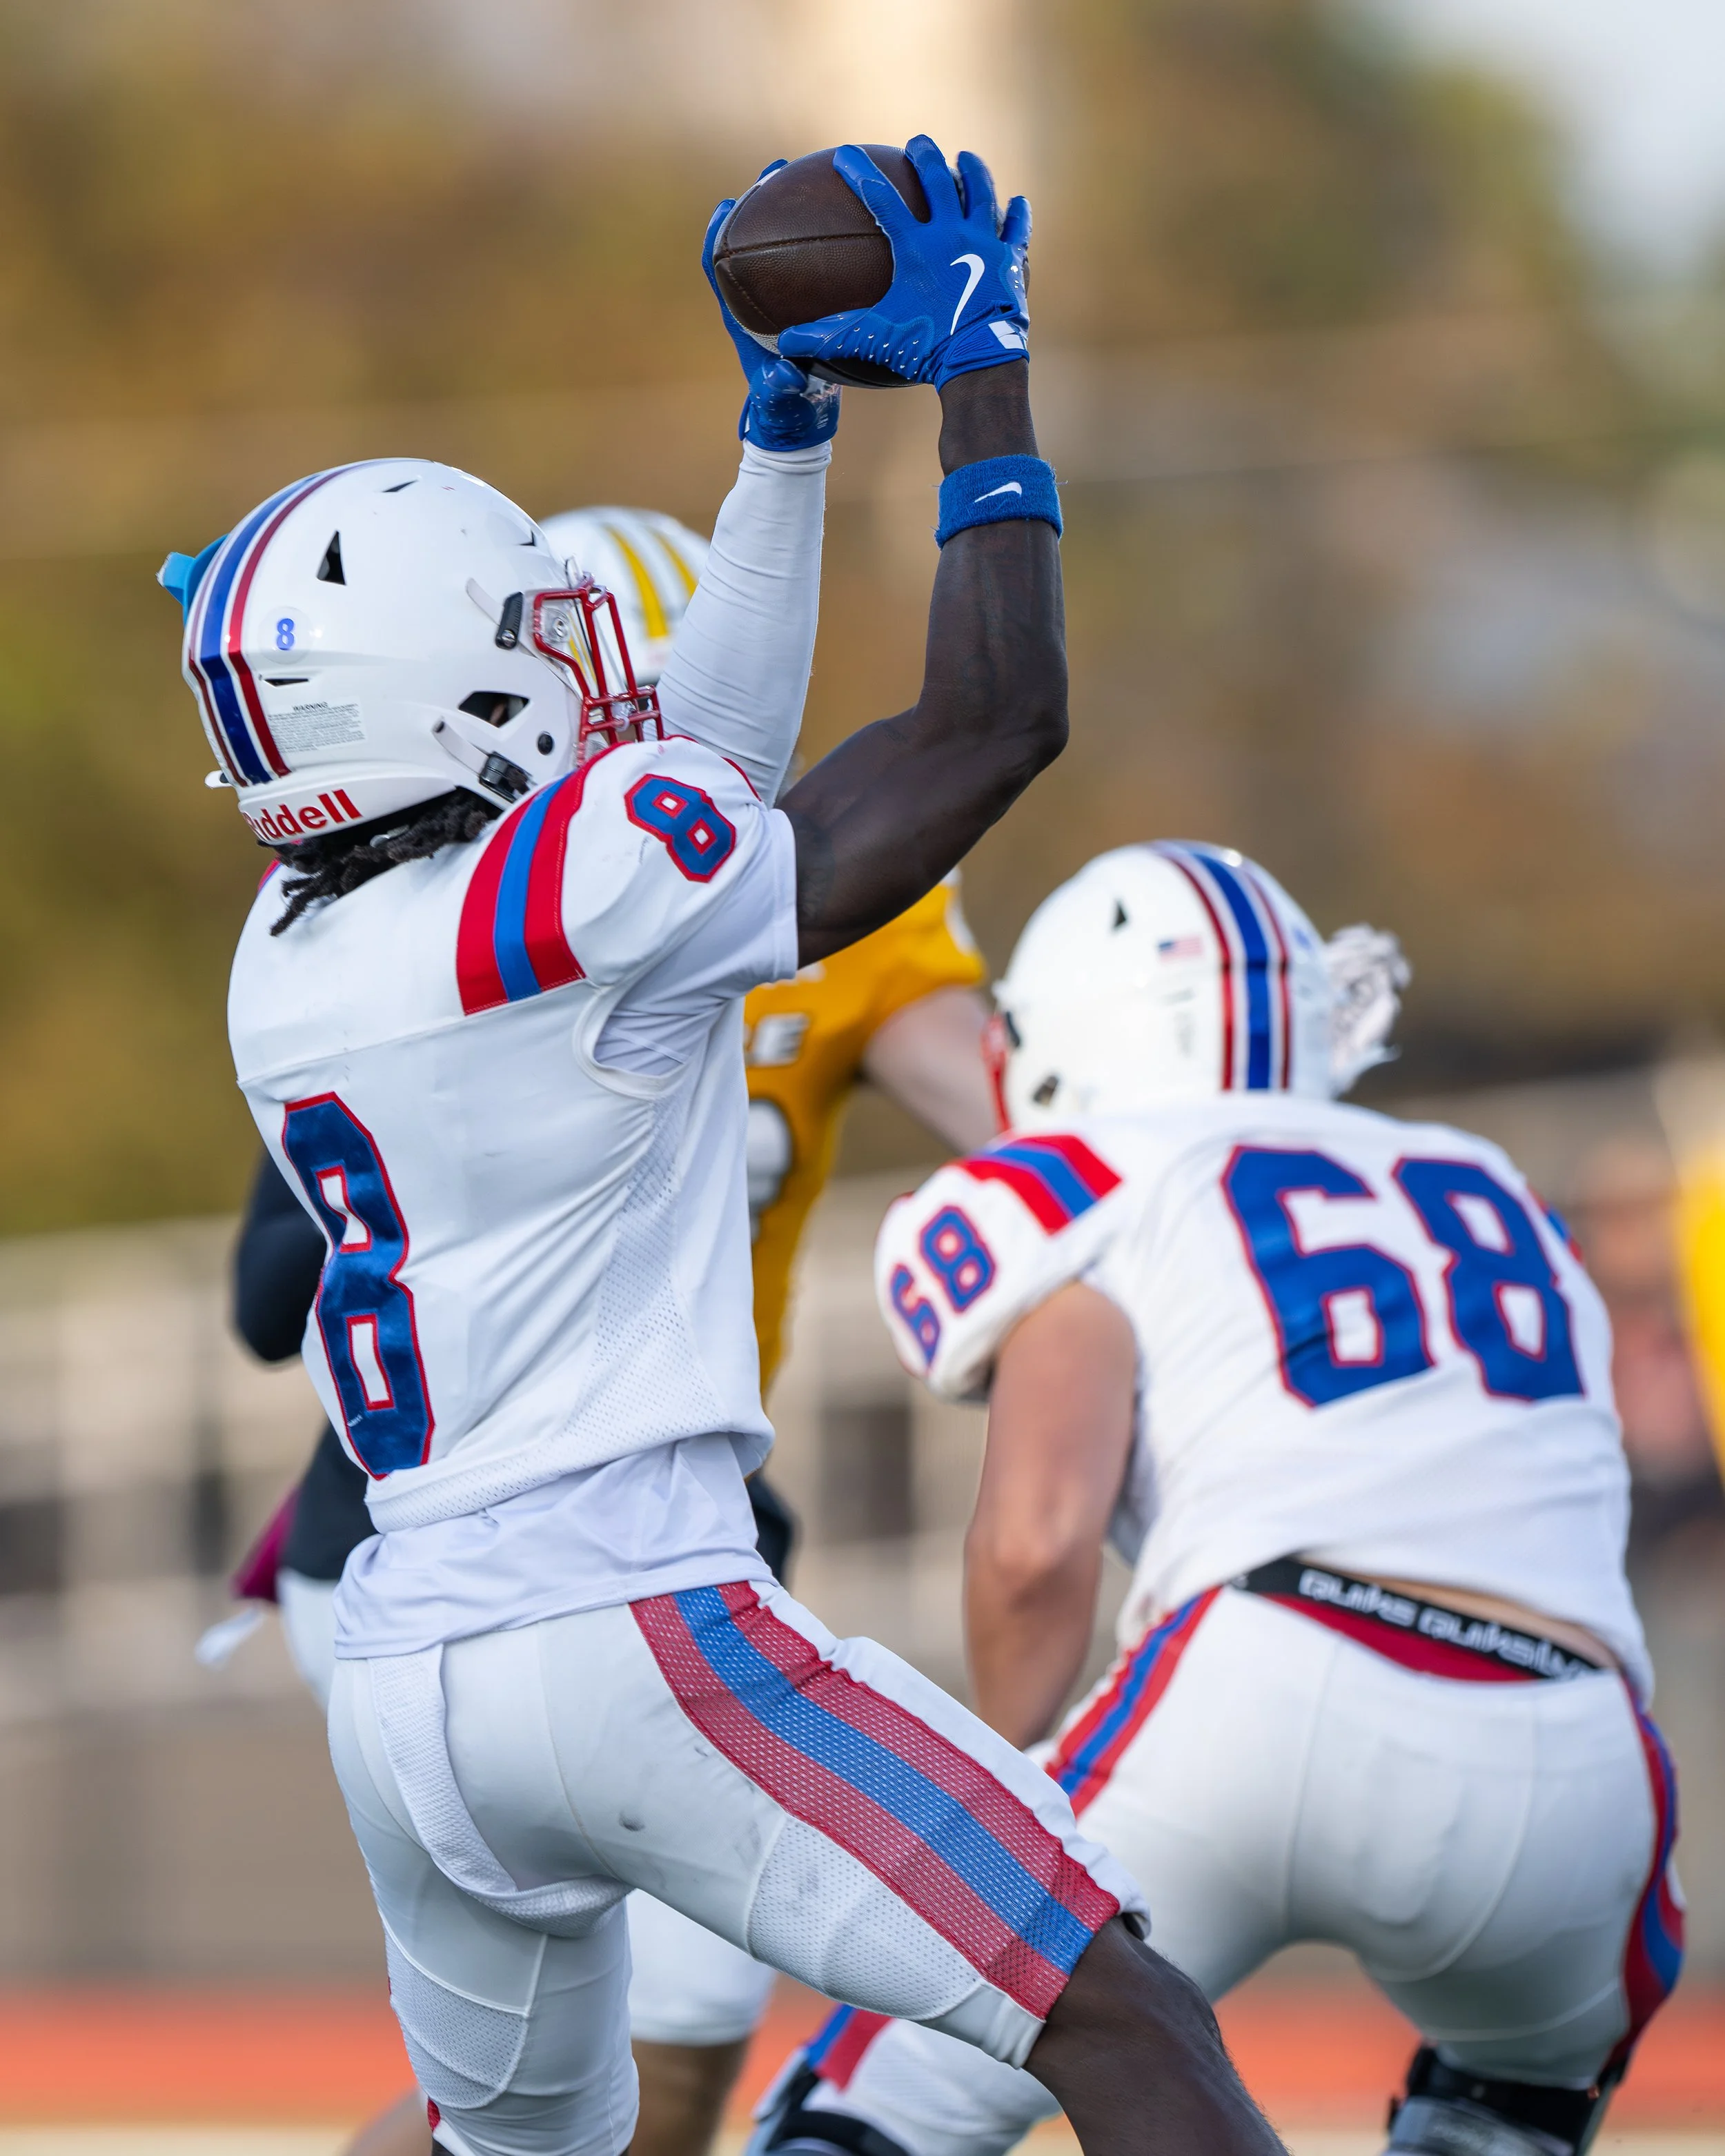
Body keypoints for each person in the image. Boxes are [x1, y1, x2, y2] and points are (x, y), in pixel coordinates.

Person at [165, 137, 1283, 2156]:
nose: (579, 655)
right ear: (438, 690)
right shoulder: (570, 894)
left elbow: (696, 763)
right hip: (631, 1625)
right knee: (1119, 2012)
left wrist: (783, 435)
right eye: (532, 627)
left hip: (408, 1681)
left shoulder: (291, 947)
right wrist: (984, 379)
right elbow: (985, 727)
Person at [228, 498, 996, 2156]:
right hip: (430, 1521)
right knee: (602, 2065)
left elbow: (1021, 1122)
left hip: (671, 1500)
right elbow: (265, 1295)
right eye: (602, 683)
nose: (634, 721)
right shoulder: (420, 937)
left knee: (628, 2080)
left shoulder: (767, 896)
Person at [754, 842, 1684, 2156]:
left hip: (1272, 1677)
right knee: (1510, 2102)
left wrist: (999, 1810)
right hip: (1585, 1757)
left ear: (1061, 1040)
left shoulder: (1081, 1179)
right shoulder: (1497, 1190)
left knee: (874, 2106)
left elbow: (1035, 1544)